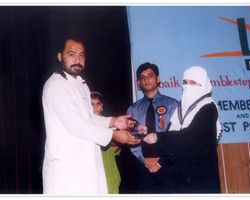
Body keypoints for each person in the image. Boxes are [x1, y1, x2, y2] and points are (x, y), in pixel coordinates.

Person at [42, 35, 140, 194]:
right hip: (66, 170)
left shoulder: (81, 84)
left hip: (84, 166)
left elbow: (88, 118)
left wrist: (113, 121)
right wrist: (114, 136)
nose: (78, 59)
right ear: (60, 56)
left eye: (81, 55)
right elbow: (77, 124)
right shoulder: (56, 85)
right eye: (71, 54)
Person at [142, 66, 222, 193]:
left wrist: (157, 137)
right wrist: (155, 156)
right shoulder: (181, 108)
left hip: (201, 176)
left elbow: (189, 137)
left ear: (203, 84)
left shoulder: (208, 107)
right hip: (180, 176)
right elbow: (171, 138)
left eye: (193, 83)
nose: (188, 86)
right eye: (185, 82)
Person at [124, 62, 178, 193]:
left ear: (158, 79)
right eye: (142, 77)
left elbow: (176, 135)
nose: (146, 79)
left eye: (150, 75)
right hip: (144, 168)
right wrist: (145, 160)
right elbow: (131, 138)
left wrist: (160, 159)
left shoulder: (172, 105)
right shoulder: (133, 109)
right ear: (139, 83)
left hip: (168, 165)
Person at [90, 91, 121, 194]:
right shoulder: (82, 125)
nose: (95, 107)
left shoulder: (111, 123)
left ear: (102, 106)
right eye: (92, 104)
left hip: (108, 169)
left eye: (98, 104)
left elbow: (116, 147)